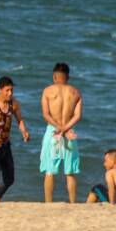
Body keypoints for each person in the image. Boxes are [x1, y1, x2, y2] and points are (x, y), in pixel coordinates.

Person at [39, 62, 83, 203]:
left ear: (54, 77)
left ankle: (48, 203)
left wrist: (59, 128)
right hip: (69, 130)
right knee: (70, 171)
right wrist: (65, 128)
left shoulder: (47, 91)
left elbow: (46, 114)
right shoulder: (76, 92)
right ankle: (72, 202)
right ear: (68, 77)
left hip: (54, 131)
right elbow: (77, 116)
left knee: (50, 171)